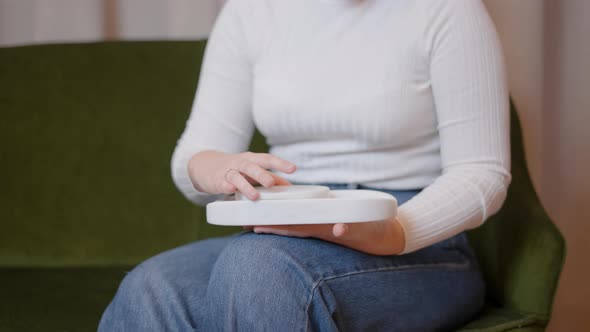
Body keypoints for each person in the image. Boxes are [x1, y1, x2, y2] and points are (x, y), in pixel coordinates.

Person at [99, 0, 511, 330]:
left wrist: (394, 230)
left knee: (259, 270)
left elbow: (482, 173)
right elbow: (193, 157)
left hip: (415, 236)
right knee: (152, 286)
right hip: (291, 223)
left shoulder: (449, 10)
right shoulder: (252, 11)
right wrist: (222, 167)